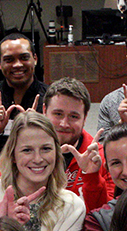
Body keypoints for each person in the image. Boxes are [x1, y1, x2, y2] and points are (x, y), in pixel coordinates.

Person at [0, 33, 48, 182]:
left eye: (24, 57)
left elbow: (57, 148)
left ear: (35, 59)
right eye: (9, 60)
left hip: (38, 180)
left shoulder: (50, 98)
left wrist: (35, 128)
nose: (17, 64)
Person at [44, 77, 111, 210]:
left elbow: (108, 214)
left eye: (74, 116)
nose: (64, 124)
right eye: (58, 114)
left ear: (85, 118)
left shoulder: (103, 157)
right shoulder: (23, 152)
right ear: (44, 111)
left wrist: (92, 176)